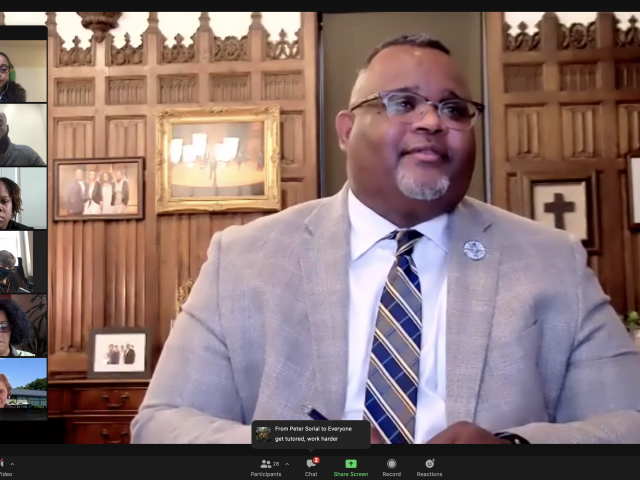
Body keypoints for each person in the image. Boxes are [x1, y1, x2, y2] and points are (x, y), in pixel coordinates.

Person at [131, 34, 640, 445]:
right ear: (347, 130)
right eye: (403, 103)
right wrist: (299, 450)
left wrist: (515, 450)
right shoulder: (243, 259)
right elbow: (161, 425)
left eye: (455, 109)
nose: (432, 121)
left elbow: (628, 422)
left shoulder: (553, 261)